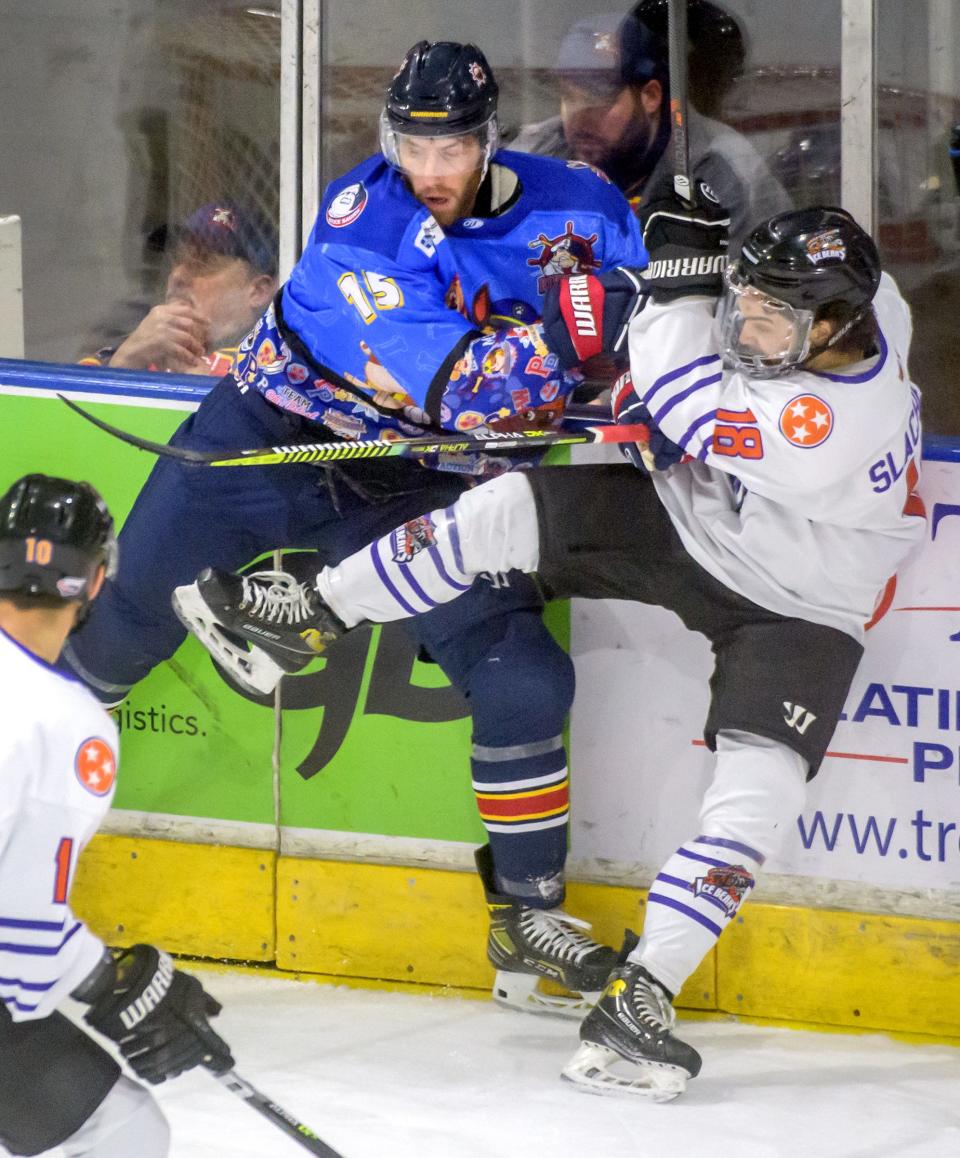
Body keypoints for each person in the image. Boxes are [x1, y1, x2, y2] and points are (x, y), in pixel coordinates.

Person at [182, 202, 925, 1097]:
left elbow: (684, 393)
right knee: (502, 512)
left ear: (837, 325)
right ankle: (307, 619)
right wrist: (701, 281)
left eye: (776, 318)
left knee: (755, 801)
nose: (753, 328)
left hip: (805, 603)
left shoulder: (824, 431)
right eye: (751, 306)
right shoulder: (873, 299)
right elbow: (690, 400)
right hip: (702, 523)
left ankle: (641, 999)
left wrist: (672, 278)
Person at [62, 41, 649, 1018]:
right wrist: (561, 345)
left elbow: (635, 329)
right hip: (268, 441)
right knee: (116, 635)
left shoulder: (581, 205)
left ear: (490, 139)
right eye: (411, 147)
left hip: (415, 488)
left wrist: (622, 334)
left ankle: (526, 922)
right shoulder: (362, 223)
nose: (429, 173)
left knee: (525, 680)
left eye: (451, 149)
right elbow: (478, 398)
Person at [0, 474, 233, 1157]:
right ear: (97, 582)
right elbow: (18, 933)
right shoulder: (65, 723)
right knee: (123, 1132)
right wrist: (117, 984)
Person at [511, 0, 790, 248]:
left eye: (597, 97)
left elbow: (756, 298)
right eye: (568, 95)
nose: (578, 114)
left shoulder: (722, 169)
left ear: (650, 96)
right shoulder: (534, 155)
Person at [79, 203, 278, 377]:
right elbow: (65, 414)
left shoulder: (276, 373)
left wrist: (203, 391)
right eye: (175, 259)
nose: (176, 276)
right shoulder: (122, 352)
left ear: (258, 291)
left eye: (203, 261)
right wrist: (124, 362)